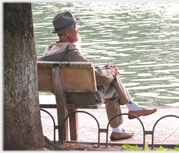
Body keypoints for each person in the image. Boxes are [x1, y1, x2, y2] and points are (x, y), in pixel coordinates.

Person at [38, 11, 157, 141]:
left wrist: (102, 69)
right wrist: (110, 72)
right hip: (81, 97)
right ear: (67, 32)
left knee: (110, 79)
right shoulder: (71, 52)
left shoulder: (51, 51)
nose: (78, 31)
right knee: (113, 82)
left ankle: (128, 113)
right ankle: (129, 112)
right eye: (76, 28)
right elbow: (99, 78)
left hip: (64, 94)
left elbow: (84, 71)